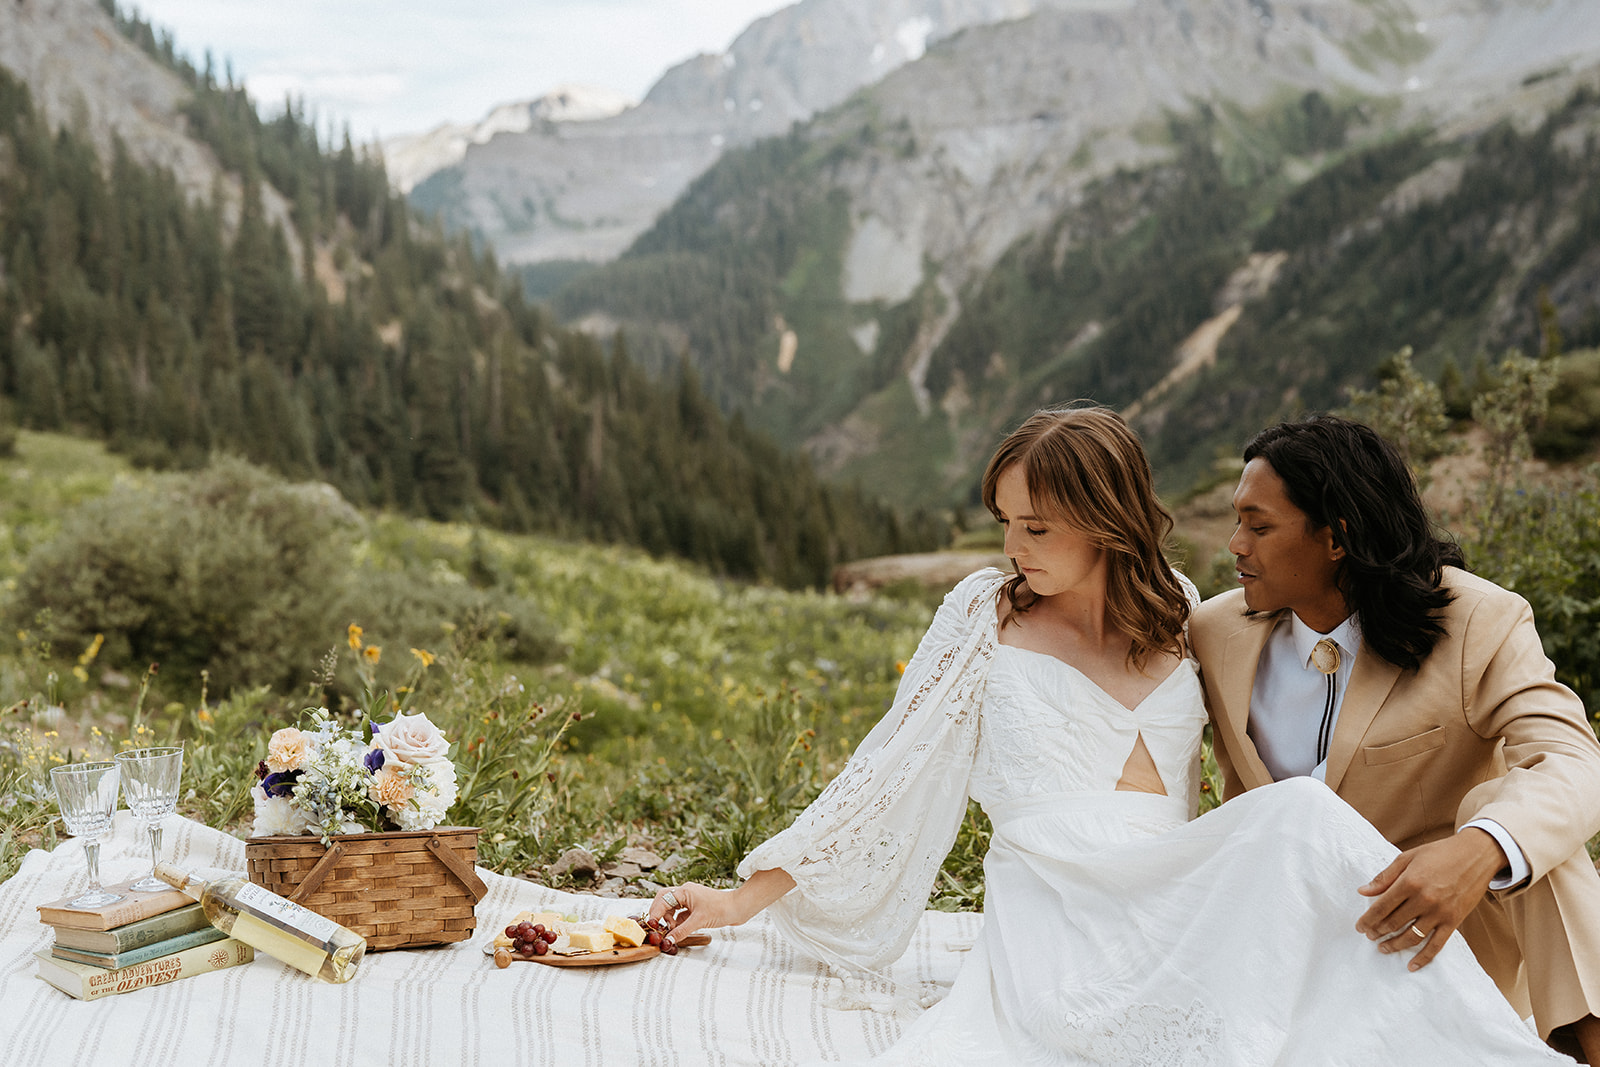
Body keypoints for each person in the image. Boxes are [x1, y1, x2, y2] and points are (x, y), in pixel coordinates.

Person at [648, 407, 1569, 1065]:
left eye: (1037, 525)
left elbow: (1554, 757)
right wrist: (739, 900)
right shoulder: (985, 615)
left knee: (1306, 818)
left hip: (1177, 885)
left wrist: (1476, 846)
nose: (1015, 546)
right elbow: (885, 770)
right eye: (1006, 522)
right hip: (1056, 893)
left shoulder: (1183, 614)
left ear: (1104, 520)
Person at [1190, 414, 1600, 1063]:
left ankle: (1587, 1043)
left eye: (1259, 525)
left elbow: (1572, 758)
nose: (1235, 544)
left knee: (1523, 831)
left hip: (1430, 932)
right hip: (1285, 939)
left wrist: (1479, 848)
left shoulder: (1476, 620)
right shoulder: (1214, 632)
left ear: (1337, 536)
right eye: (1238, 520)